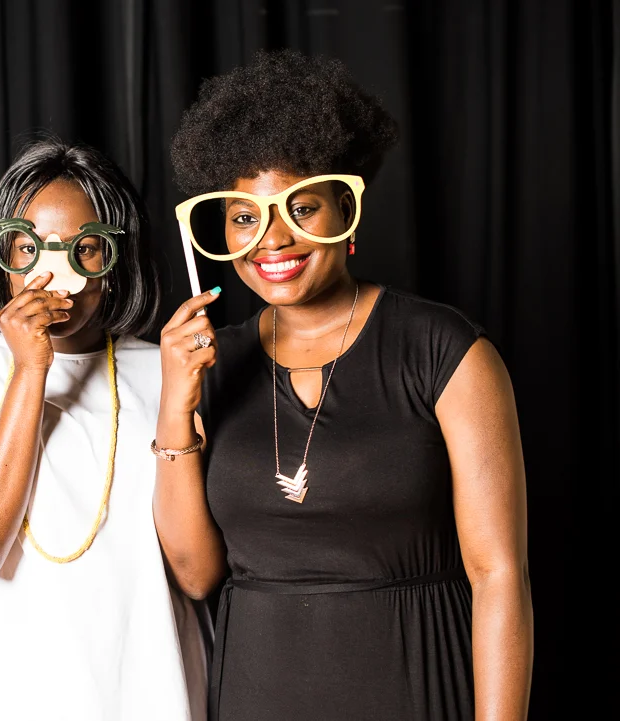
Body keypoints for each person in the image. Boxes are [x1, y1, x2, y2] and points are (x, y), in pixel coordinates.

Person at [153, 50, 533, 720]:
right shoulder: (214, 364)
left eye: (302, 207)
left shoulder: (443, 350)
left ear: (346, 208)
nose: (273, 237)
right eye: (244, 215)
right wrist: (175, 405)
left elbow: (498, 575)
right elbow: (196, 573)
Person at [0, 138, 209, 721]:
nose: (54, 273)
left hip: (153, 690)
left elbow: (197, 577)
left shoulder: (165, 370)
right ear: (3, 257)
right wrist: (31, 368)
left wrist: (177, 402)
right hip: (21, 696)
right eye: (29, 247)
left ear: (113, 261)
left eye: (83, 248)